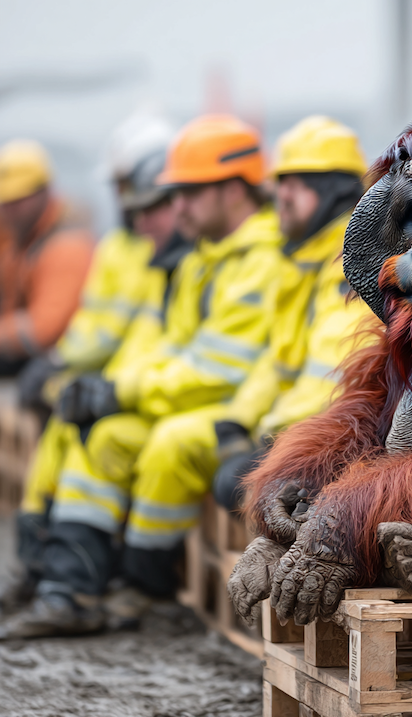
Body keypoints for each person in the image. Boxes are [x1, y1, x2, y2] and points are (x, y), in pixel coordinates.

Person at [0, 115, 283, 637]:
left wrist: (122, 390)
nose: (175, 209)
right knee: (101, 433)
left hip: (227, 413)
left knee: (154, 439)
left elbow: (221, 371)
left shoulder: (261, 261)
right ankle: (68, 586)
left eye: (186, 194)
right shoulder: (205, 258)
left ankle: (141, 585)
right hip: (188, 399)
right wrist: (104, 390)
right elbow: (166, 346)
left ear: (231, 189)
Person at [1, 149, 191, 616]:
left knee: (112, 436)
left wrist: (116, 391)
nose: (138, 217)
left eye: (153, 206)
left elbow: (226, 366)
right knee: (71, 425)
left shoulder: (199, 263)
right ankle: (52, 575)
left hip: (201, 409)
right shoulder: (173, 261)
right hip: (156, 389)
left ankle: (120, 583)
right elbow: (141, 343)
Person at [210, 116, 373, 512]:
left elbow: (332, 371)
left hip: (337, 440)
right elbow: (281, 360)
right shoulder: (301, 258)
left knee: (235, 484)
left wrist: (271, 440)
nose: (279, 195)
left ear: (333, 193)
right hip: (295, 427)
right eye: (279, 182)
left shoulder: (352, 261)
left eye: (295, 185)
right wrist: (240, 418)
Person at [17, 115, 176, 414]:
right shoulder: (117, 246)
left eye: (127, 185)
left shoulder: (162, 252)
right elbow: (96, 325)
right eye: (118, 186)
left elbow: (119, 333)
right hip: (113, 375)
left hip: (129, 382)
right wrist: (58, 361)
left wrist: (66, 366)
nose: (121, 197)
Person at [0, 141, 94, 375]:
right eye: (5, 201)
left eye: (18, 200)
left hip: (53, 361)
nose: (10, 209)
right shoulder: (20, 232)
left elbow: (44, 331)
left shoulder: (68, 245)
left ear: (44, 191)